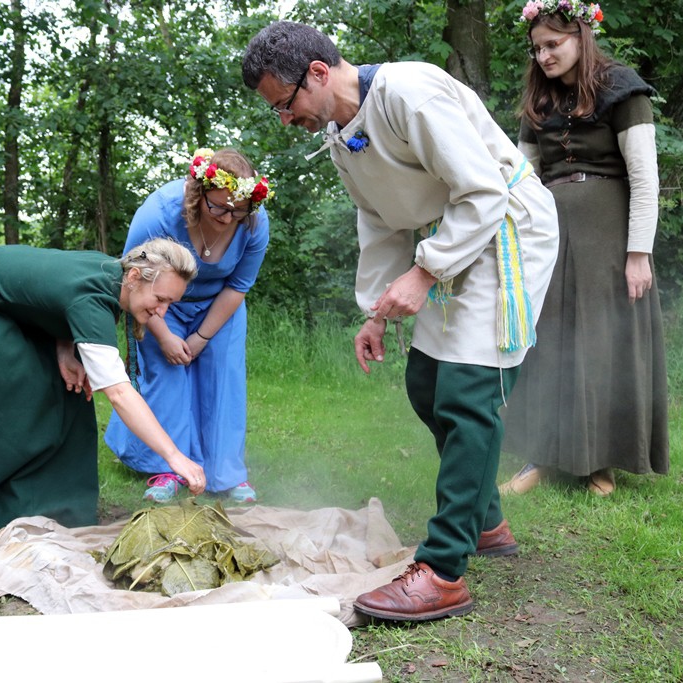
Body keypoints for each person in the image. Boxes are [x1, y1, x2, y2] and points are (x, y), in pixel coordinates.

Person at [242, 21, 560, 622]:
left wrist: (425, 272)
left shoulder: (408, 93)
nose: (285, 120)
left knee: (468, 392)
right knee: (426, 383)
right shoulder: (340, 135)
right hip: (451, 238)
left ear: (316, 72)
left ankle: (443, 571)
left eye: (285, 105)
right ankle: (485, 518)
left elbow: (485, 191)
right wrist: (375, 312)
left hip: (504, 226)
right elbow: (381, 222)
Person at [0, 239, 207, 533]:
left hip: (4, 302)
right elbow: (119, 393)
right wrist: (174, 457)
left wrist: (65, 347)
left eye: (171, 302)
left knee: (69, 392)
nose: (163, 312)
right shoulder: (95, 296)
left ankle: (58, 503)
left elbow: (53, 297)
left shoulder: (112, 276)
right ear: (134, 277)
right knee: (18, 386)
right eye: (160, 298)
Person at [499, 0, 669, 497]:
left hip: (608, 233)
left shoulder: (623, 88)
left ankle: (600, 461)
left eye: (554, 44)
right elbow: (519, 177)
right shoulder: (537, 100)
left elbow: (644, 176)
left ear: (581, 35)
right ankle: (542, 456)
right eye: (537, 49)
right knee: (545, 338)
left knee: (601, 340)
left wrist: (638, 253)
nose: (545, 56)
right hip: (547, 231)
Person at [105, 148, 272, 504]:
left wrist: (201, 337)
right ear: (199, 194)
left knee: (223, 380)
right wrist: (164, 336)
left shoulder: (255, 223)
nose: (229, 218)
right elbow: (134, 279)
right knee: (168, 380)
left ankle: (225, 474)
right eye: (219, 208)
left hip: (219, 307)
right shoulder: (159, 213)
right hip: (158, 302)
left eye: (238, 210)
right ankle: (167, 470)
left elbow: (238, 286)